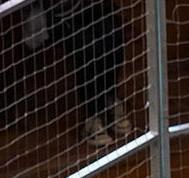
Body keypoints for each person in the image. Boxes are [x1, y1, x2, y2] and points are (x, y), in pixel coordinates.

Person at [22, 0, 131, 146]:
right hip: (57, 16)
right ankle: (92, 116)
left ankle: (109, 98)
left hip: (90, 8)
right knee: (88, 46)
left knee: (113, 36)